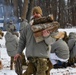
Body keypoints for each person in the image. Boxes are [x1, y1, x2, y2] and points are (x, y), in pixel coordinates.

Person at [14, 6, 53, 75]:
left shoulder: (47, 26)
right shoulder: (28, 27)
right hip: (31, 59)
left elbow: (51, 41)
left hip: (42, 59)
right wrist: (18, 52)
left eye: (37, 13)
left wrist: (47, 36)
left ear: (41, 14)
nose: (35, 14)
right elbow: (22, 41)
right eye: (34, 13)